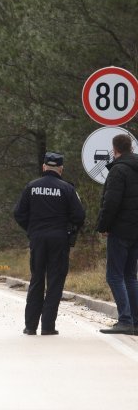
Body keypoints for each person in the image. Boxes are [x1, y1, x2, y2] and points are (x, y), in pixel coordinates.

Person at [13, 151, 85, 336]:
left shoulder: (32, 186)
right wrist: (69, 229)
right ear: (60, 169)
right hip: (59, 240)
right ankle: (47, 326)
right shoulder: (67, 189)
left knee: (36, 280)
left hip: (37, 238)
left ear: (44, 167)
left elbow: (19, 213)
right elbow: (79, 216)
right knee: (55, 281)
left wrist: (32, 229)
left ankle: (30, 326)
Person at [96, 133, 138, 335]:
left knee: (114, 276)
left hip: (120, 230)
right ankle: (135, 322)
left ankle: (125, 320)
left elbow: (111, 202)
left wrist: (103, 226)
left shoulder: (118, 170)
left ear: (115, 150)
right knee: (130, 276)